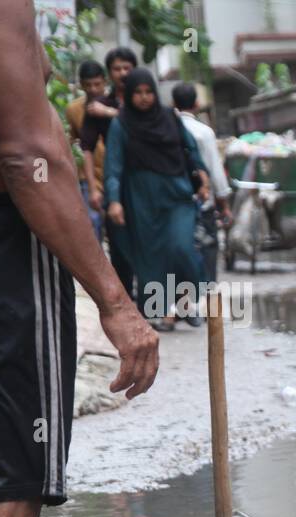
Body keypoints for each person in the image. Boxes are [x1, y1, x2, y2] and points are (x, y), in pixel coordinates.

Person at [0, 1, 158, 517]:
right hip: (4, 247)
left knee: (5, 482)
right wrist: (117, 304)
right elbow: (27, 150)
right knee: (10, 492)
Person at [104, 69, 211, 331]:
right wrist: (114, 200)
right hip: (141, 198)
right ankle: (163, 312)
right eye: (138, 93)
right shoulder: (121, 124)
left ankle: (187, 303)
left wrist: (203, 177)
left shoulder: (169, 118)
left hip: (177, 193)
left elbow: (191, 149)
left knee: (180, 247)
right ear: (129, 95)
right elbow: (113, 166)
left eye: (148, 92)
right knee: (151, 256)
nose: (143, 98)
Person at [80, 46, 138, 299]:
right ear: (109, 74)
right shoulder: (98, 107)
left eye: (127, 68)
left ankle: (161, 304)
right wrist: (93, 188)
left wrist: (112, 114)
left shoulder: (146, 100)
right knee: (119, 245)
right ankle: (127, 301)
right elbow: (87, 148)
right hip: (116, 184)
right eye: (117, 68)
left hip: (149, 182)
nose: (123, 73)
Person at [171, 82, 231, 284]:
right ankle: (209, 301)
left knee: (179, 254)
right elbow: (215, 170)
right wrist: (224, 204)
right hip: (203, 204)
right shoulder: (204, 132)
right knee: (208, 252)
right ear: (196, 104)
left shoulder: (167, 130)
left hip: (175, 205)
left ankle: (183, 303)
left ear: (173, 104)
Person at [64, 59, 106, 242]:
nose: (93, 89)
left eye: (97, 84)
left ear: (104, 82)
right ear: (81, 85)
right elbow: (72, 139)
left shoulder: (115, 105)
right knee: (92, 222)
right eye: (88, 85)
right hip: (87, 176)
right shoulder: (74, 109)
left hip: (113, 173)